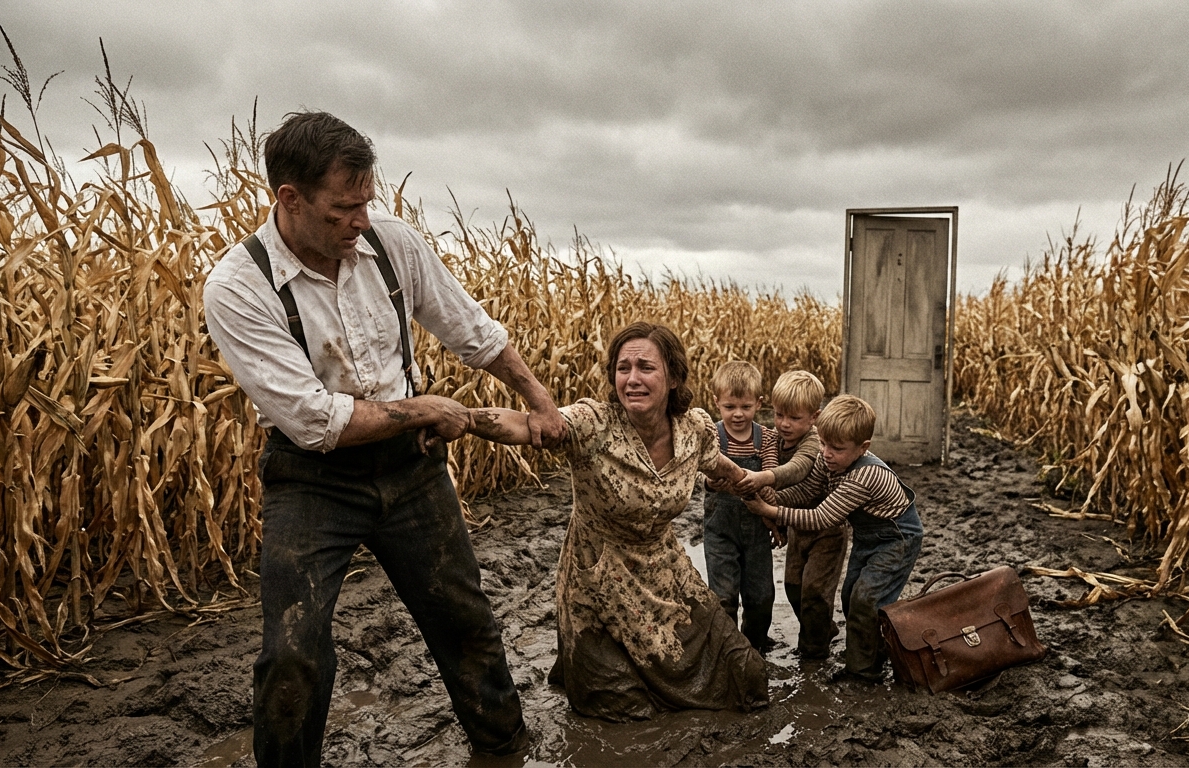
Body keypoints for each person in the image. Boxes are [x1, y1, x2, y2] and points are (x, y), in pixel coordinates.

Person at [202, 111, 567, 765]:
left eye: (366, 202)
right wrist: (422, 408)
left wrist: (539, 401)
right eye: (343, 209)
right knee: (291, 655)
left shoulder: (391, 244)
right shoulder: (238, 286)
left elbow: (473, 331)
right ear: (290, 198)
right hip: (312, 481)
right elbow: (313, 420)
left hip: (411, 469)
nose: (360, 221)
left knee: (464, 620)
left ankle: (504, 749)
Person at [466, 322, 769, 721]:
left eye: (646, 367)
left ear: (674, 378)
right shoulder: (593, 424)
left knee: (747, 675)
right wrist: (463, 418)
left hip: (667, 577)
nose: (632, 379)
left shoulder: (693, 429)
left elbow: (722, 469)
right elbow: (524, 424)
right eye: (623, 368)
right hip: (599, 584)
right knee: (623, 708)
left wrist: (762, 496)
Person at [744, 394, 923, 683]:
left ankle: (864, 673)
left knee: (867, 599)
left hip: (897, 539)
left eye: (837, 448)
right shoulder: (827, 460)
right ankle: (870, 654)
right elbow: (808, 491)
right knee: (850, 596)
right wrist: (773, 498)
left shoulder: (865, 476)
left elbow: (821, 517)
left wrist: (770, 510)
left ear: (863, 448)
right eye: (824, 444)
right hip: (868, 537)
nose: (826, 453)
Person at [735, 370, 847, 660]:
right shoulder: (775, 439)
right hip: (798, 526)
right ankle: (823, 629)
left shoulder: (813, 442)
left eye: (794, 418)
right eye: (779, 414)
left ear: (814, 417)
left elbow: (796, 472)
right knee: (794, 587)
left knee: (815, 591)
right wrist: (777, 522)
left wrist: (764, 481)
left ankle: (813, 653)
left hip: (827, 530)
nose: (784, 423)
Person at [702, 361, 782, 651]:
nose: (738, 414)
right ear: (716, 403)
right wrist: (713, 481)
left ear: (759, 403)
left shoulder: (767, 438)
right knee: (723, 596)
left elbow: (770, 477)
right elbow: (704, 475)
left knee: (760, 596)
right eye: (729, 406)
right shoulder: (711, 436)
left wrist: (775, 518)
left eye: (746, 407)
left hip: (757, 530)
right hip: (720, 531)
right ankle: (727, 651)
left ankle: (754, 647)